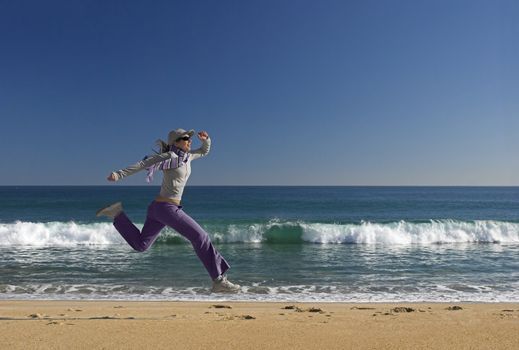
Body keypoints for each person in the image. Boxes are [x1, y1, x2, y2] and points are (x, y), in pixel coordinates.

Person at [96, 128, 240, 293]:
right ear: (175, 142)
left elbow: (204, 151)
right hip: (166, 208)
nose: (189, 140)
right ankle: (218, 280)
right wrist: (118, 174)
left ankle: (117, 214)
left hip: (159, 208)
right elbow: (144, 164)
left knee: (141, 245)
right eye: (186, 138)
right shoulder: (168, 157)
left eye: (189, 138)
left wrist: (206, 140)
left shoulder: (188, 156)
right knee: (201, 237)